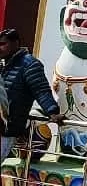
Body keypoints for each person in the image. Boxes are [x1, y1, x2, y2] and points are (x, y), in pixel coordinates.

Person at [0, 29, 62, 160]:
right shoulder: (3, 64)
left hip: (7, 130)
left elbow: (41, 90)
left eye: (2, 44)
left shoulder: (29, 64)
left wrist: (52, 112)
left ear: (15, 43)